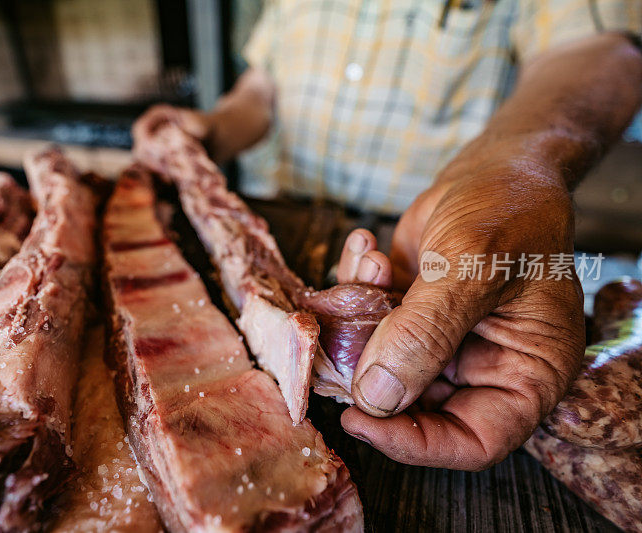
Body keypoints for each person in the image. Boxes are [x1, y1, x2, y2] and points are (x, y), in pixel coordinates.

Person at [133, 0, 642, 470]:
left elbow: (599, 53)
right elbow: (261, 91)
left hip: (434, 250)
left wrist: (516, 172)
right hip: (282, 228)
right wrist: (213, 129)